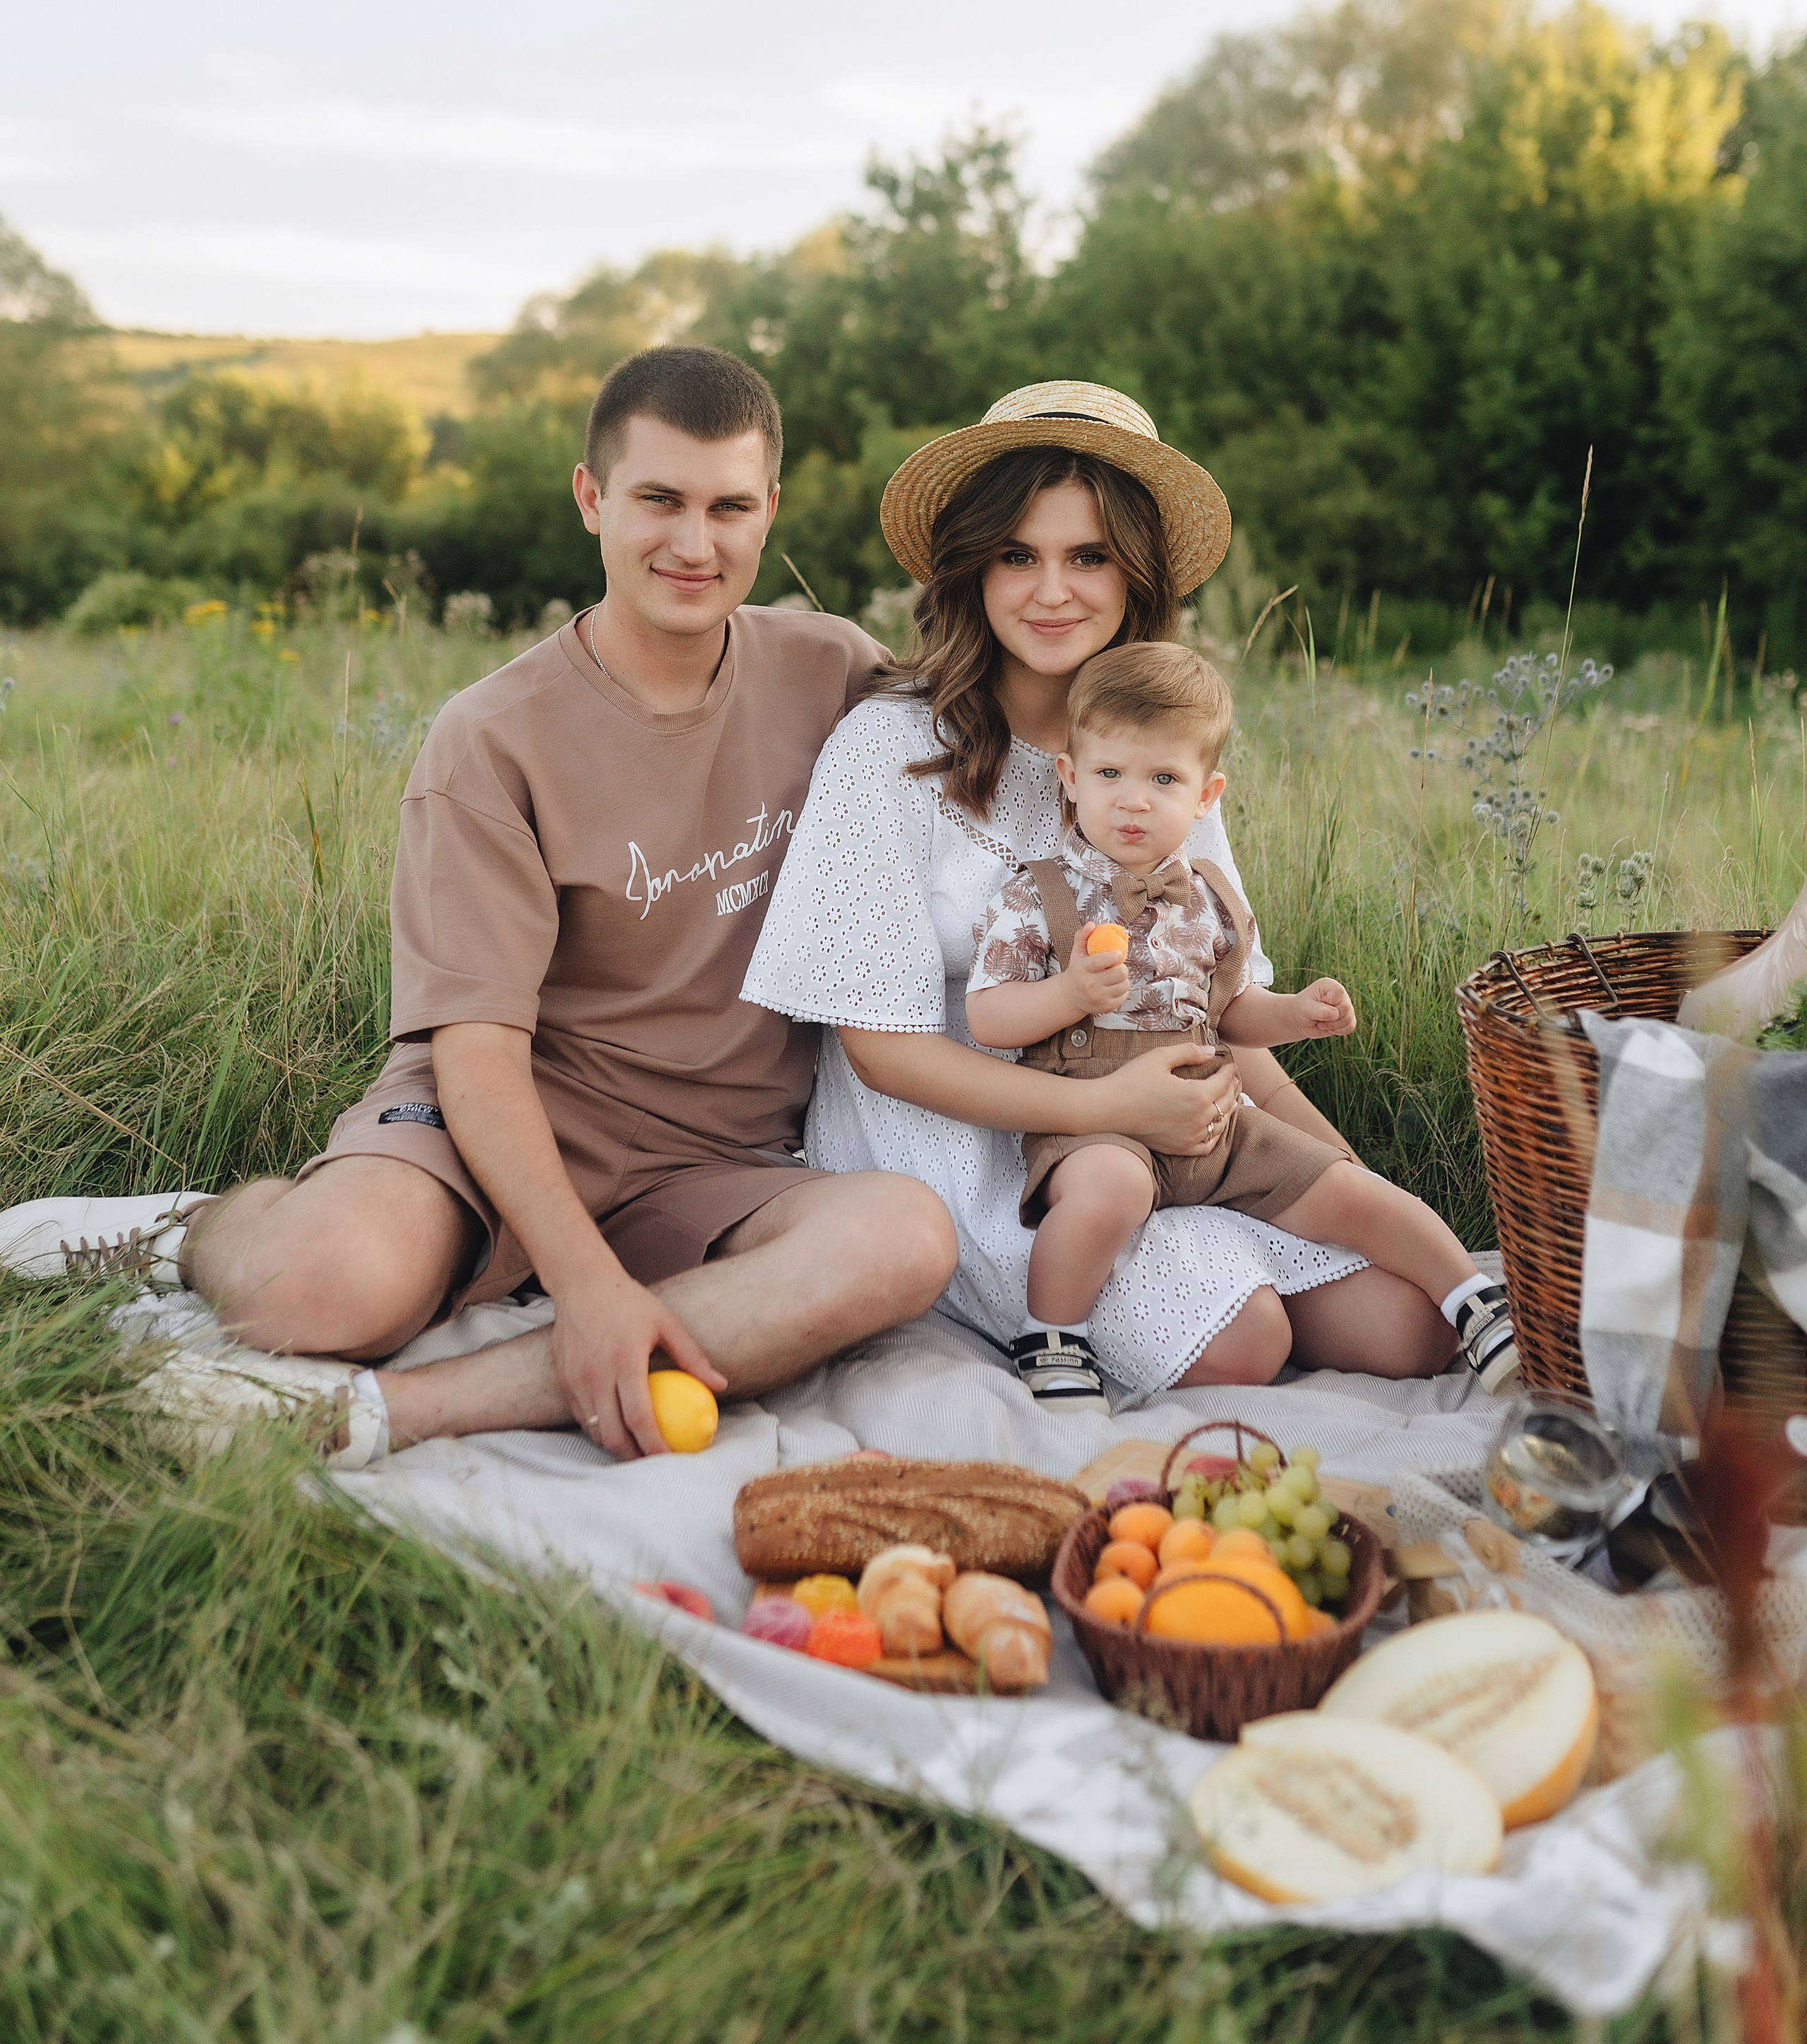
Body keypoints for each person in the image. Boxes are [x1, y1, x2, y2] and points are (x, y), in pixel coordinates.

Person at [0, 347, 959, 1459]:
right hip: (494, 1119)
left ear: (770, 510)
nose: (695, 544)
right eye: (659, 499)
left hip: (716, 1163)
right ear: (591, 497)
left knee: (903, 1238)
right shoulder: (494, 736)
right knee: (317, 1288)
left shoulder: (830, 669)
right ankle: (199, 1229)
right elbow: (480, 1052)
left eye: (729, 507)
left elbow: (994, 743)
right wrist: (583, 1280)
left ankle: (387, 1413)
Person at [743, 380, 1466, 1412]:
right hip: (952, 1125)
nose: (1053, 591)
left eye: (1088, 557)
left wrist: (1339, 1169)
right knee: (1247, 1338)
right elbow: (881, 1051)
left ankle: (1217, 1236)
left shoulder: (1156, 749)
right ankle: (1096, 1299)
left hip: (1155, 1117)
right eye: (1017, 556)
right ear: (972, 567)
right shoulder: (889, 749)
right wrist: (1103, 1108)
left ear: (1136, 573)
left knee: (1412, 1325)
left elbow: (1212, 1005)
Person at [964, 639, 1518, 1411]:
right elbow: (988, 1016)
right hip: (1095, 1122)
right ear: (1070, 776)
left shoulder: (1209, 898)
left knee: (1343, 1185)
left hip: (1214, 1118)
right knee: (1107, 1192)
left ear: (1205, 795)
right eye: (1109, 774)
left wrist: (1295, 1014)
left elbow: (1229, 1013)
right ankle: (1052, 1334)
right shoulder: (1038, 895)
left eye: (1163, 779)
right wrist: (1068, 994)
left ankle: (1474, 1301)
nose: (1133, 800)